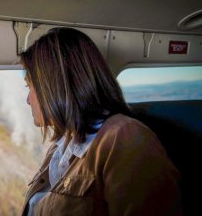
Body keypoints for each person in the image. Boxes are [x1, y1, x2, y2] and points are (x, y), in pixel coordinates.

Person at [20, 27, 182, 216]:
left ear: (53, 86)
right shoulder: (60, 148)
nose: (28, 100)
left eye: (29, 86)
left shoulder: (124, 140)